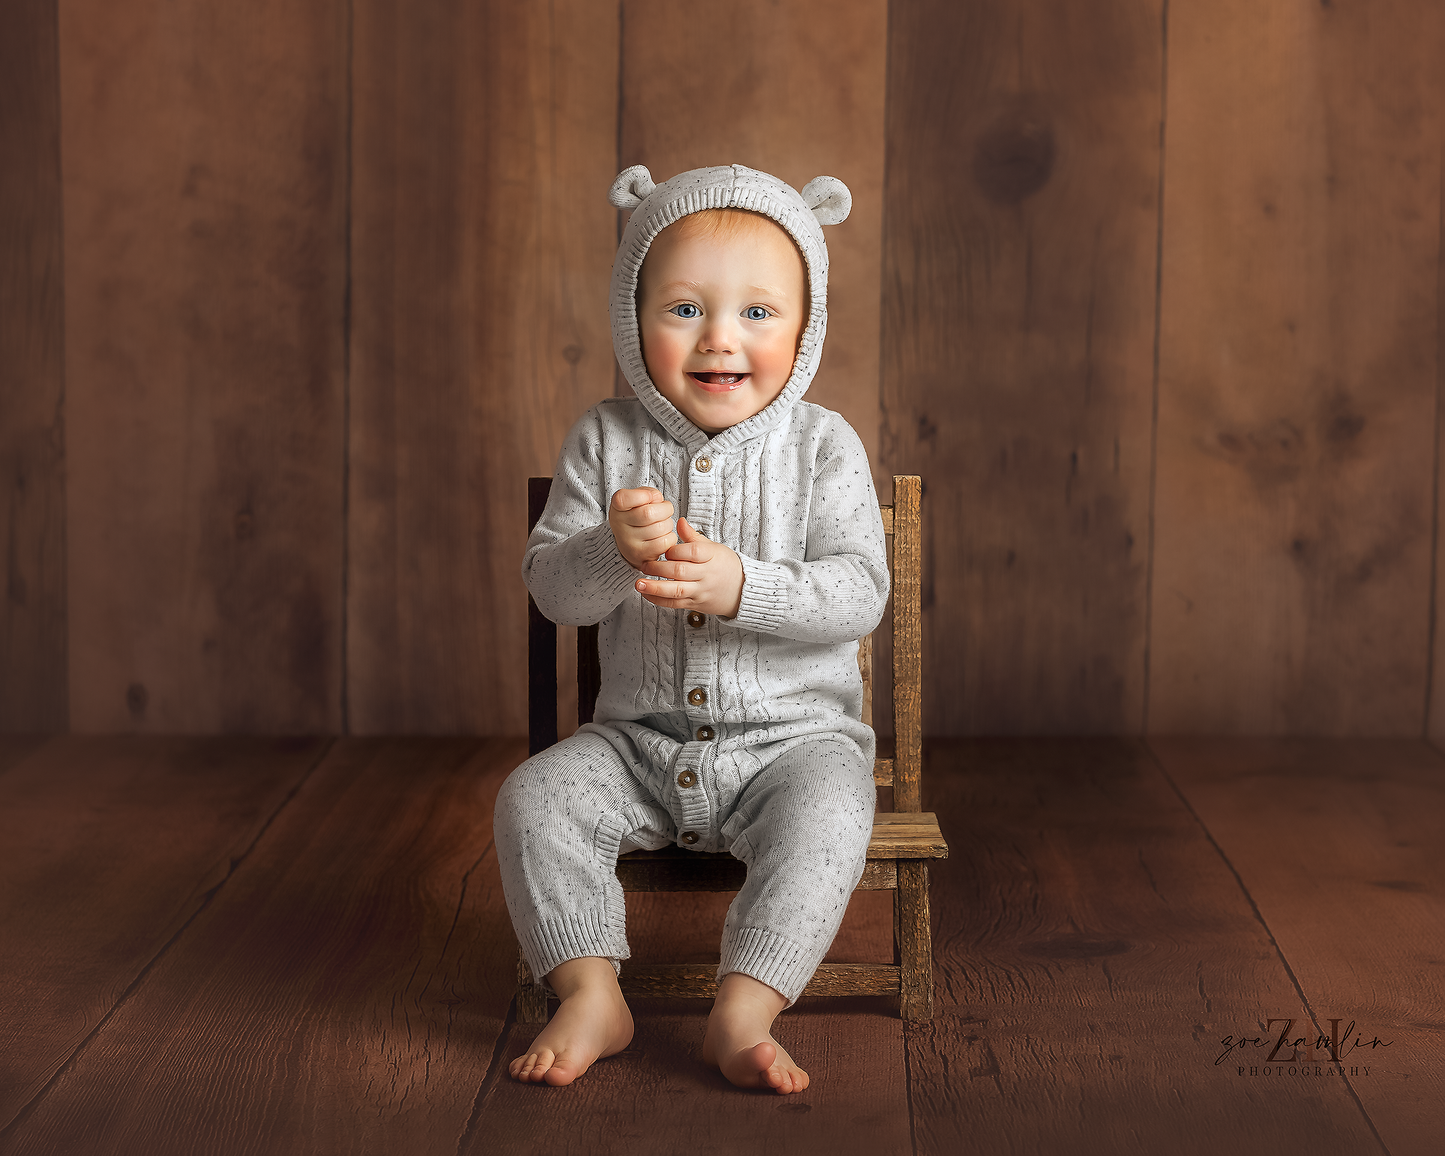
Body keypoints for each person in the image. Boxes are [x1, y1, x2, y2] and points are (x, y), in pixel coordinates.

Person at [494, 163, 888, 1094]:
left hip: (795, 744)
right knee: (533, 799)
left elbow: (857, 592)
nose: (720, 338)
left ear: (806, 328)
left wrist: (742, 585)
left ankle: (744, 1007)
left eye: (758, 312)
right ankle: (592, 989)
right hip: (636, 743)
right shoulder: (604, 440)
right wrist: (609, 550)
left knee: (833, 811)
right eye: (682, 309)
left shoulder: (823, 447)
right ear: (634, 321)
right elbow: (554, 591)